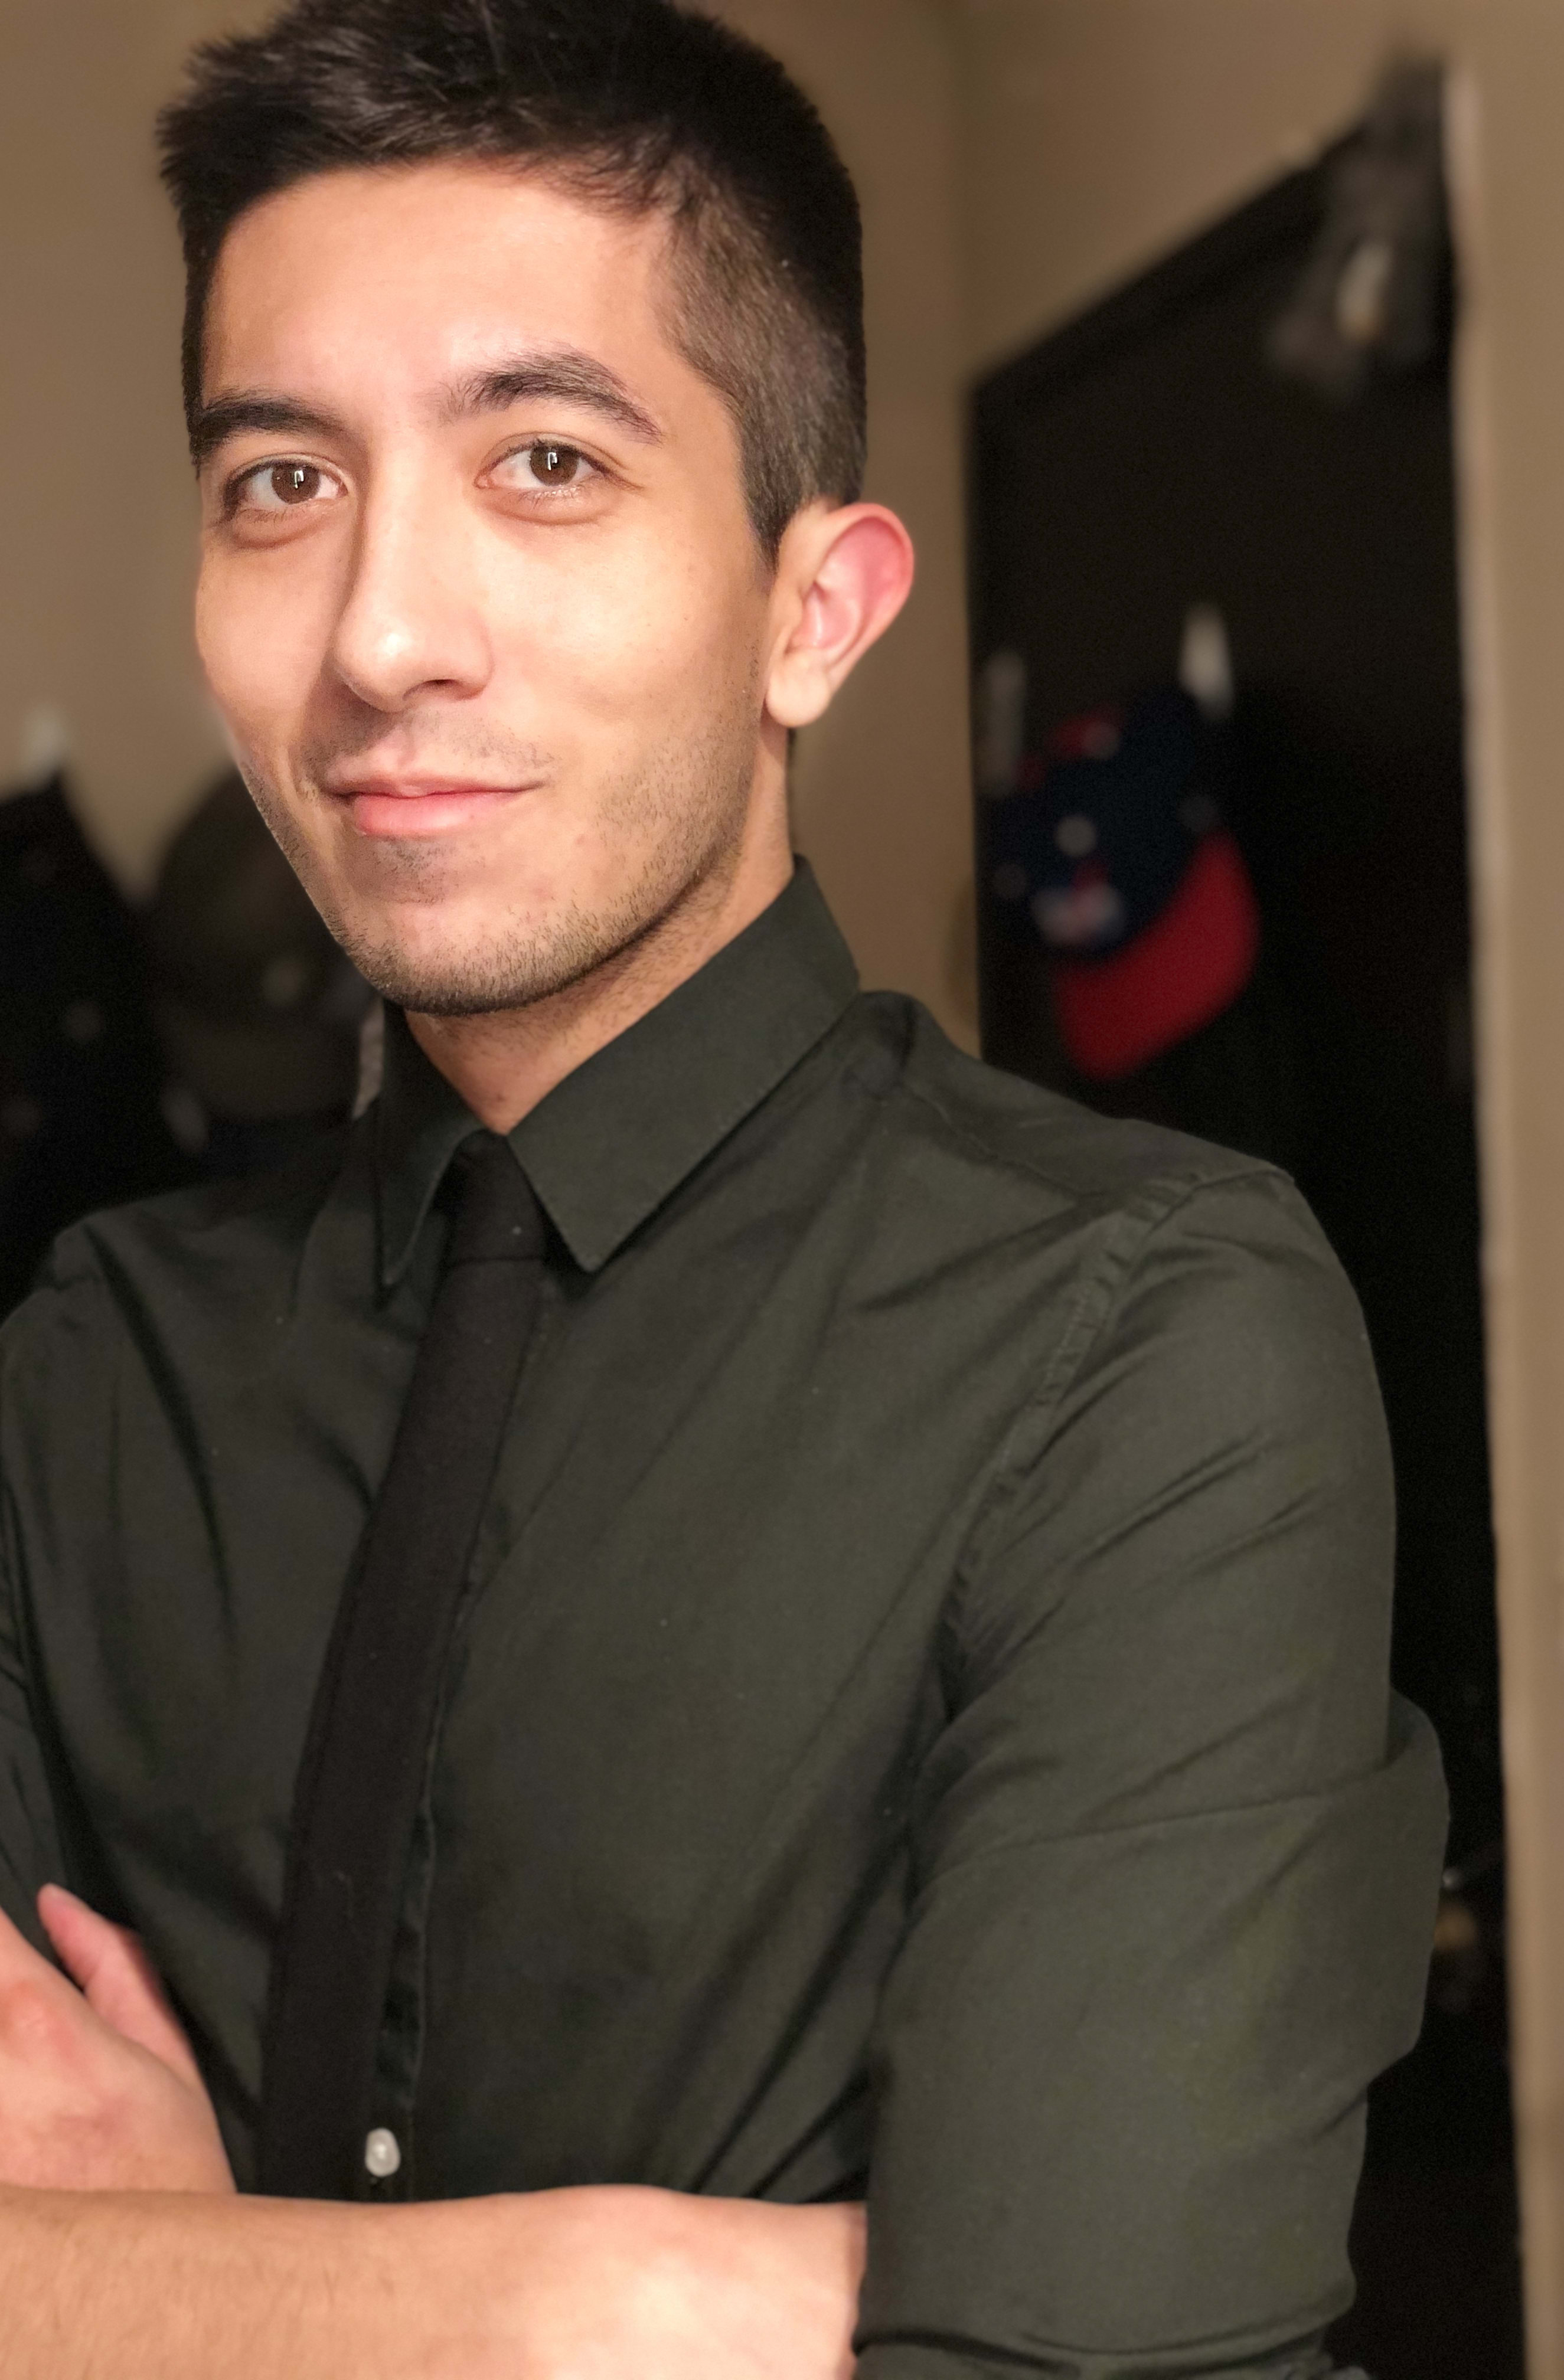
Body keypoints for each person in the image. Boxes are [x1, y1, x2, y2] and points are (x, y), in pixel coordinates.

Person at [0, 2, 1446, 2374]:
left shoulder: (1145, 1342)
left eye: (545, 461)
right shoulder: (87, 1371)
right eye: (281, 481)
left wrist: (156, 2291)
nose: (379, 634)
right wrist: (601, 2301)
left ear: (814, 610)